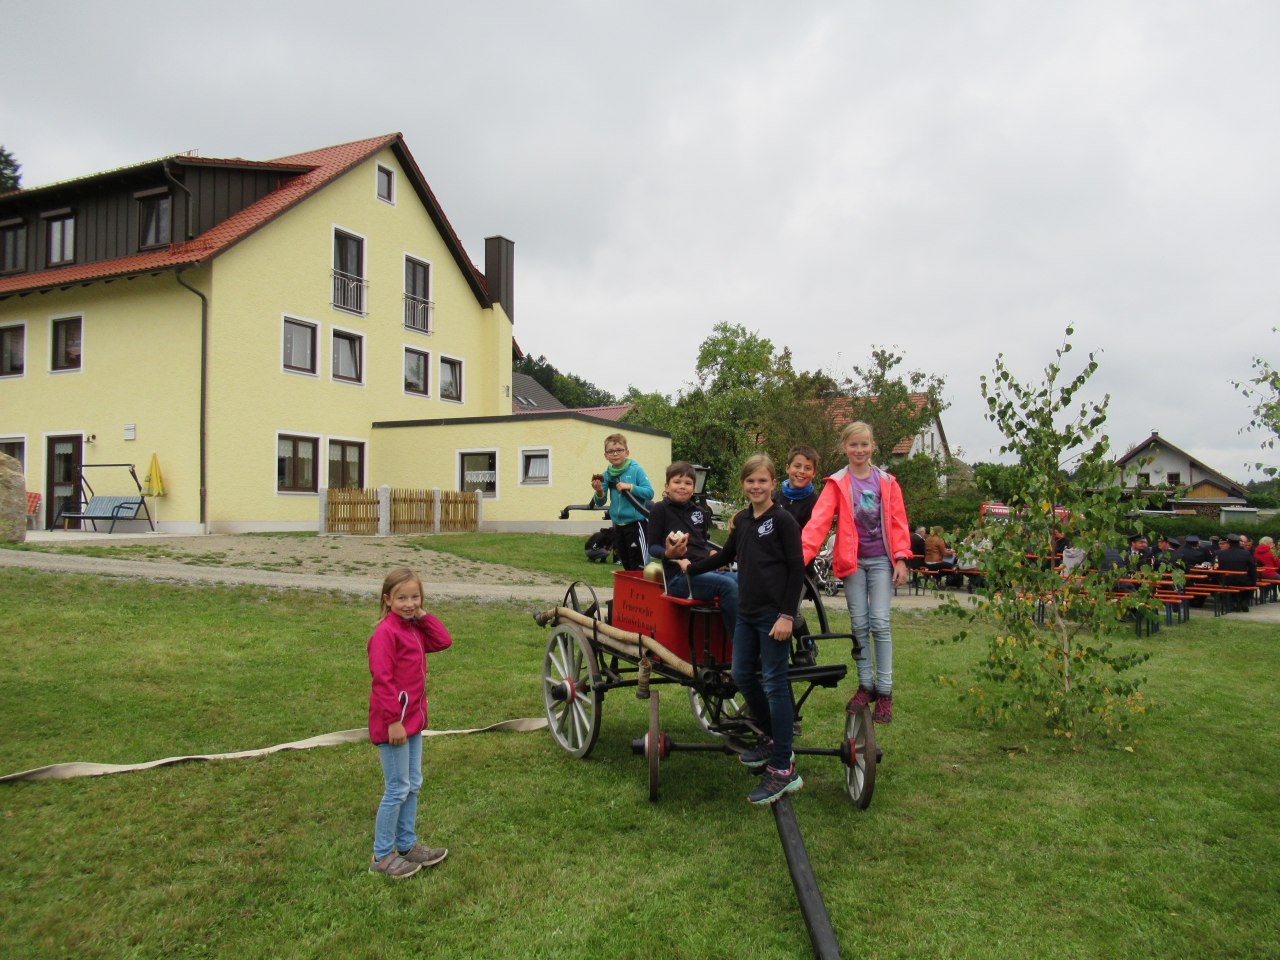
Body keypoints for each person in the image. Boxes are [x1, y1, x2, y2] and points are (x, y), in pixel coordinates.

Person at [679, 454, 806, 806]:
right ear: (743, 485)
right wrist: (692, 568)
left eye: (762, 481)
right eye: (750, 481)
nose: (756, 487)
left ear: (772, 483)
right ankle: (771, 739)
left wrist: (786, 616)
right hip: (748, 614)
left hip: (773, 617)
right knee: (742, 675)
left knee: (775, 685)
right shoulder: (744, 521)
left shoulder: (782, 522)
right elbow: (725, 557)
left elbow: (797, 571)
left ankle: (783, 768)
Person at [801, 421, 911, 724]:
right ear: (844, 448)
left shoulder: (887, 482)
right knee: (859, 624)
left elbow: (899, 522)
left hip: (881, 561)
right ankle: (865, 686)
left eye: (864, 445)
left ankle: (885, 692)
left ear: (873, 446)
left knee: (880, 621)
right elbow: (819, 523)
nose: (859, 450)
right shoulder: (837, 483)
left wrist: (901, 559)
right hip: (852, 562)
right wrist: (800, 557)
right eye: (853, 445)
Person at [367, 567, 453, 879]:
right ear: (387, 600)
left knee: (412, 784)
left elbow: (443, 641)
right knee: (397, 788)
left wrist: (423, 615)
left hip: (413, 723)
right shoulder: (385, 634)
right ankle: (382, 854)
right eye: (402, 598)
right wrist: (393, 721)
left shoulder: (413, 629)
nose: (409, 603)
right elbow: (382, 680)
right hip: (394, 726)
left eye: (415, 597)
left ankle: (406, 844)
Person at [646, 460, 739, 637]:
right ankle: (741, 646)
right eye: (677, 482)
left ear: (694, 488)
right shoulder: (660, 509)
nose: (682, 487)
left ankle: (754, 638)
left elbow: (701, 544)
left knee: (744, 579)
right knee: (728, 585)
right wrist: (670, 554)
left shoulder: (699, 513)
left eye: (688, 483)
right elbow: (653, 547)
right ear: (667, 485)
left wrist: (711, 553)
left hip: (706, 570)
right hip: (680, 578)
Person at [589, 433, 653, 571]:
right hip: (618, 526)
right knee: (626, 565)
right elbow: (600, 502)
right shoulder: (606, 475)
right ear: (606, 455)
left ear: (627, 452)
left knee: (639, 566)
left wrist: (630, 487)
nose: (615, 454)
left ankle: (642, 591)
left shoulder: (636, 470)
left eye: (619, 450)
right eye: (611, 451)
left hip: (636, 525)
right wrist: (599, 491)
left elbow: (649, 492)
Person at [773, 445, 820, 531]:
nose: (802, 471)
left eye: (808, 468)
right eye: (797, 466)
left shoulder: (816, 504)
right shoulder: (773, 499)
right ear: (787, 468)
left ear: (814, 473)